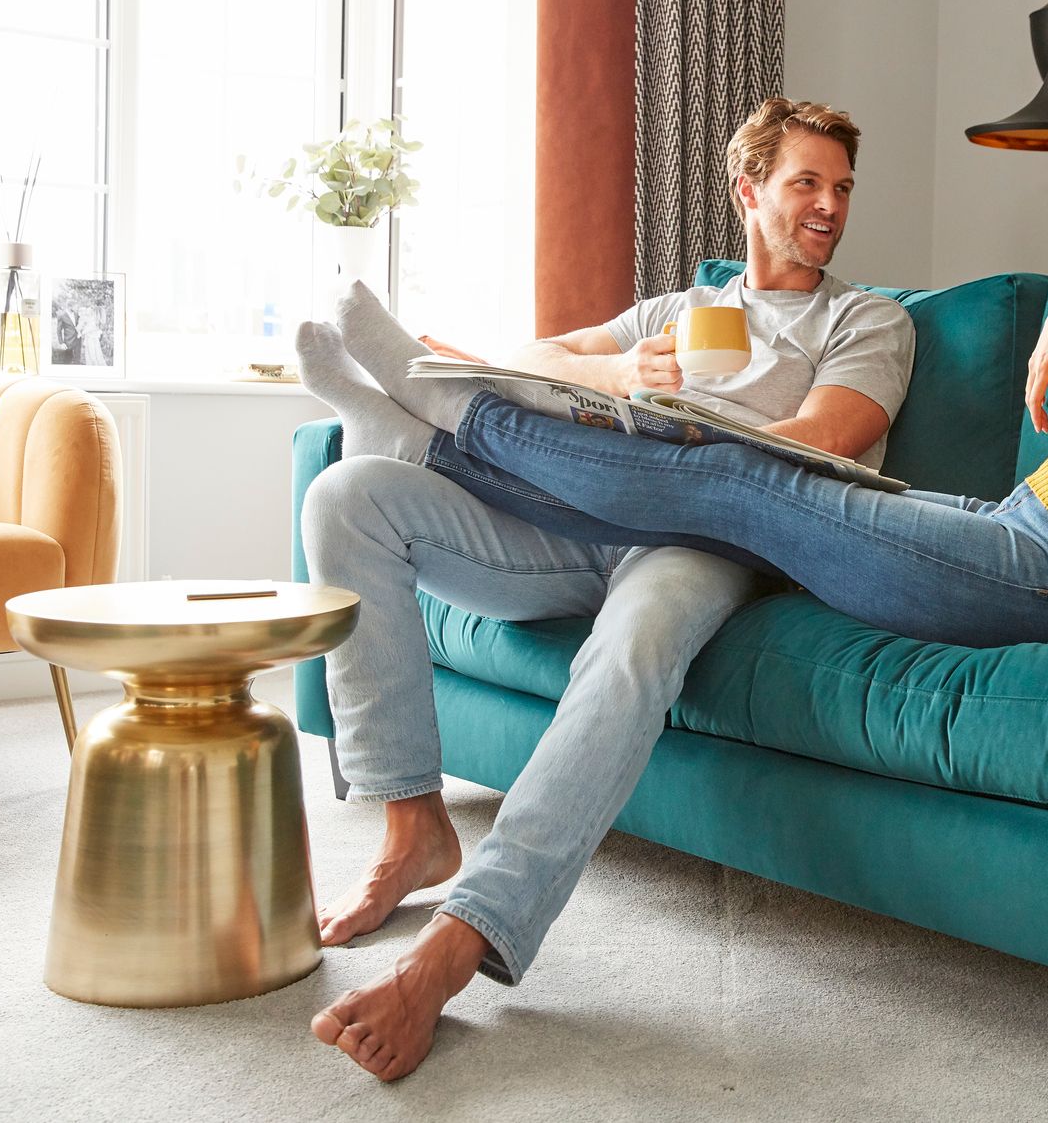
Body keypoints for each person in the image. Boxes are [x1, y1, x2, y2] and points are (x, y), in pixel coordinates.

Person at [345, 54, 1048, 654]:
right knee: (724, 485)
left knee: (738, 471)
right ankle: (442, 423)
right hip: (1019, 519)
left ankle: (445, 415)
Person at [295, 97, 915, 1082]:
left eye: (840, 187)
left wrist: (683, 446)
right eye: (805, 182)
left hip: (708, 532)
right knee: (347, 494)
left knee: (629, 652)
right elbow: (533, 357)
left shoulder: (863, 316)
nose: (829, 205)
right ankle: (413, 826)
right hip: (585, 521)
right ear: (747, 190)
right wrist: (624, 371)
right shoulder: (674, 312)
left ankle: (455, 947)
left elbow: (830, 439)